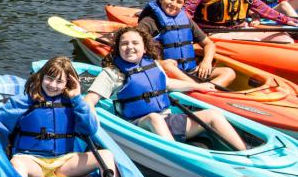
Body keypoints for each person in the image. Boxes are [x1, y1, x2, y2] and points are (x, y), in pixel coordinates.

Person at [83, 26, 246, 150]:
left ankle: (244, 153)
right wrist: (93, 122)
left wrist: (199, 86)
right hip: (137, 126)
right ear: (118, 49)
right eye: (124, 44)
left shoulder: (152, 64)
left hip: (167, 121)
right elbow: (89, 100)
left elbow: (167, 84)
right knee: (154, 117)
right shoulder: (112, 73)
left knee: (213, 115)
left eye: (135, 43)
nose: (129, 47)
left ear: (145, 47)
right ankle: (177, 154)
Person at [0, 56, 112, 177]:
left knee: (106, 155)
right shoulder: (26, 99)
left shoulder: (74, 102)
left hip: (64, 163)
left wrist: (77, 97)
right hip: (33, 162)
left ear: (68, 83)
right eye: (49, 78)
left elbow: (90, 129)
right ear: (41, 76)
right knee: (17, 163)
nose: (53, 85)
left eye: (60, 81)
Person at [136, 0, 236, 87]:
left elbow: (209, 44)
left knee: (229, 73)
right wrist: (159, 63)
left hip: (190, 70)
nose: (173, 4)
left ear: (183, 4)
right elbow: (136, 48)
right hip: (166, 72)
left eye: (179, 2)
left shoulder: (185, 20)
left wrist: (206, 62)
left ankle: (204, 90)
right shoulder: (148, 21)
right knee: (168, 65)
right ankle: (200, 88)